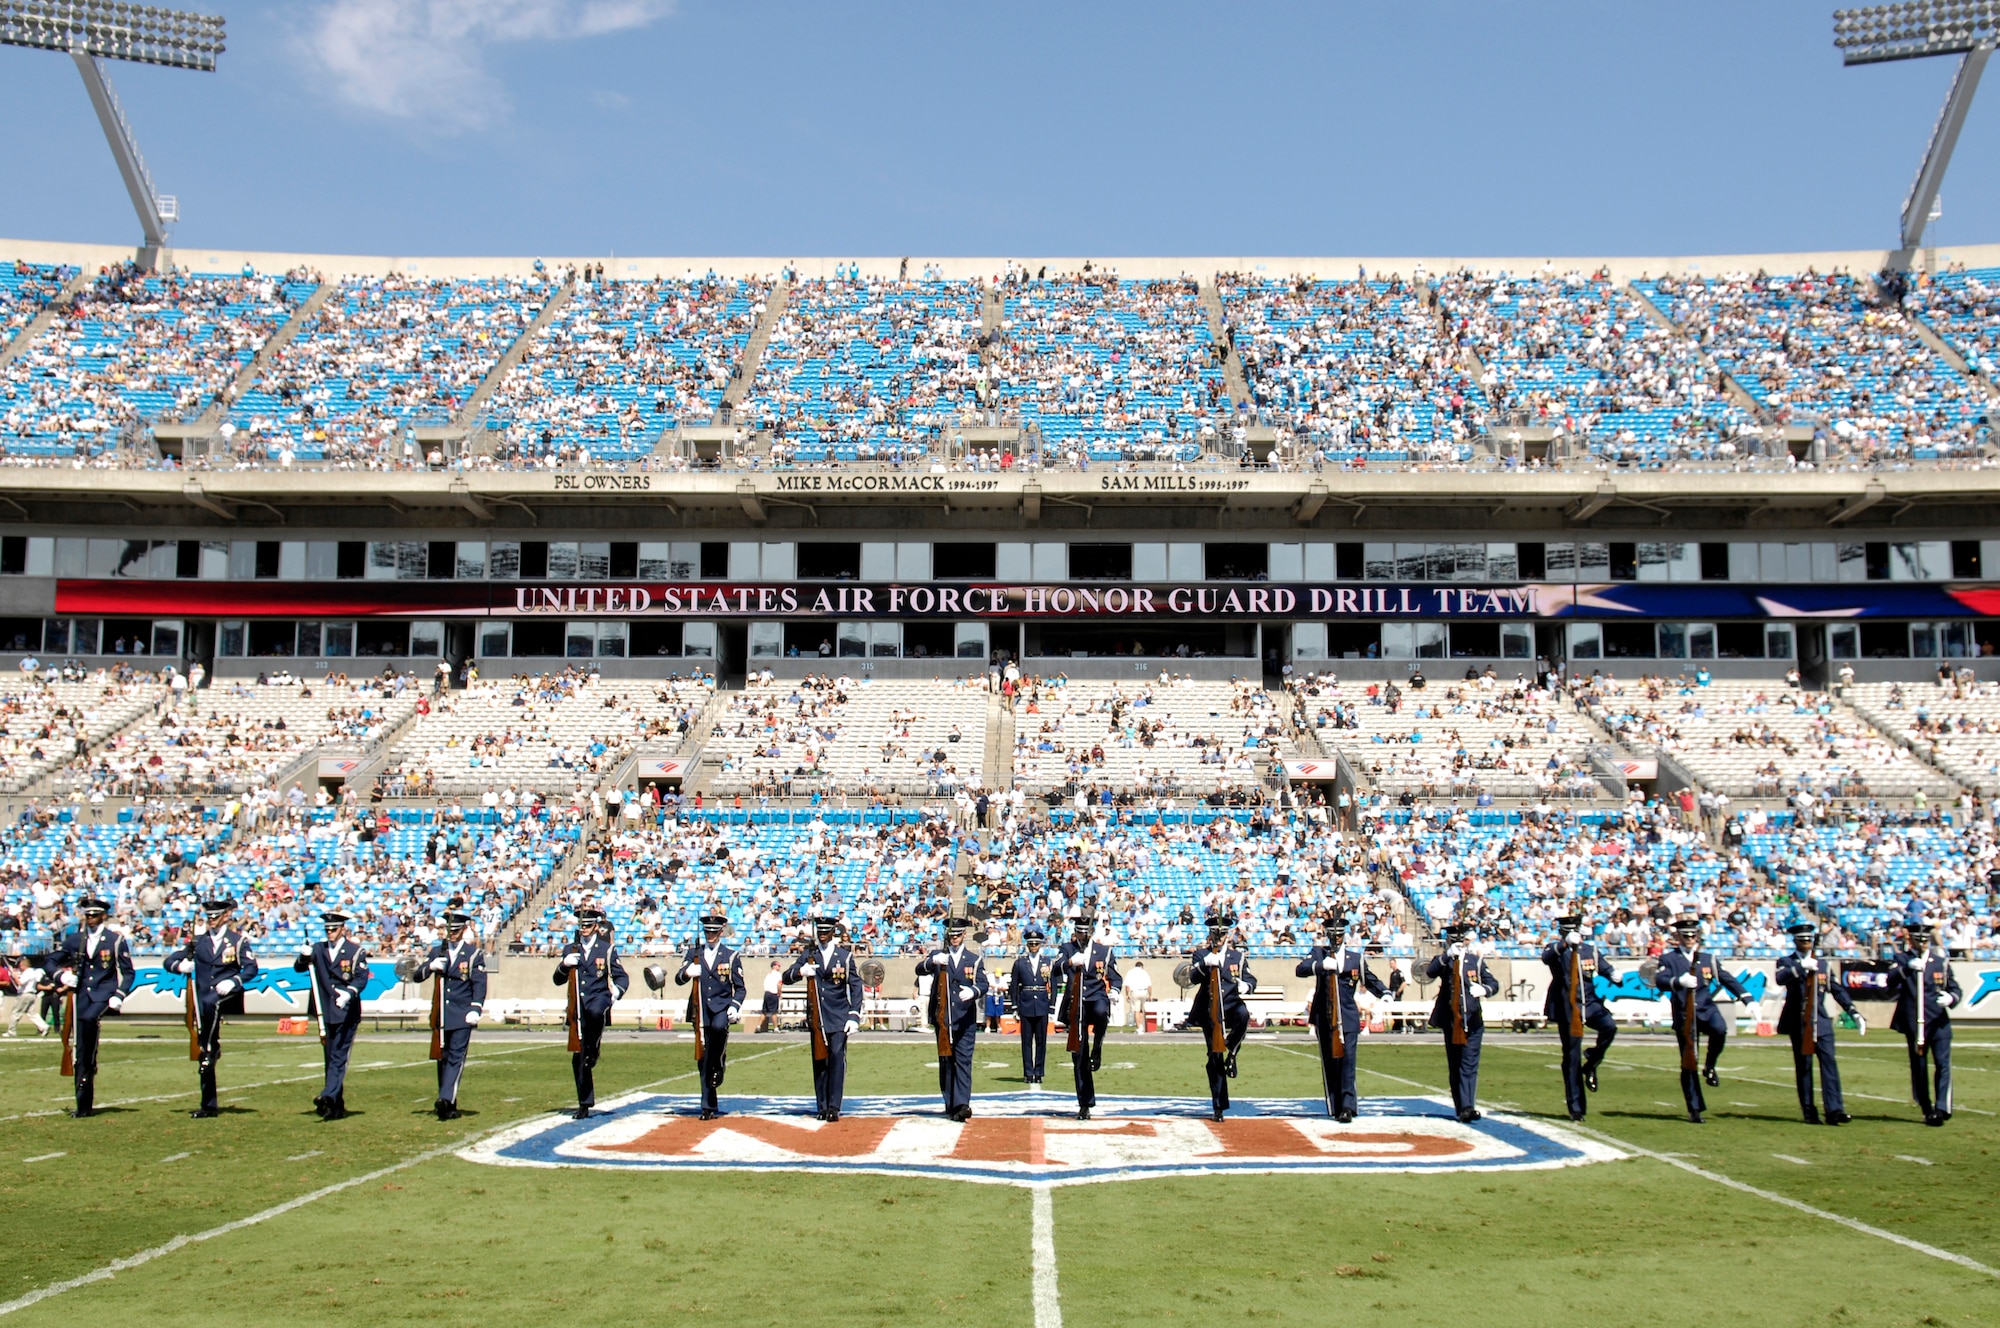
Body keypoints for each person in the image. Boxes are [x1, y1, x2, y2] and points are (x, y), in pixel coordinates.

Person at [167, 898, 258, 1119]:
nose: (211, 921)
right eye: (209, 917)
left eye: (215, 916)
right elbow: (169, 961)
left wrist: (234, 981)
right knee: (204, 1052)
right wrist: (180, 966)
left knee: (208, 1021)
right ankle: (208, 1104)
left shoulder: (237, 941)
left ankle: (209, 1045)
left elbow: (251, 968)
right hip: (203, 1000)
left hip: (227, 995)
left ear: (225, 917)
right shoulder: (198, 942)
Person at [1652, 916, 1749, 1123]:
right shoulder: (1669, 959)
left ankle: (1710, 1065)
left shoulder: (1707, 959)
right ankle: (1694, 1108)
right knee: (1689, 1060)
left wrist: (1746, 997)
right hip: (1685, 1013)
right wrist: (1678, 981)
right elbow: (1659, 980)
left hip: (1706, 1008)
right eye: (1685, 935)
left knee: (1720, 1030)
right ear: (1678, 937)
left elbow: (1726, 978)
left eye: (1692, 935)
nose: (1689, 939)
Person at [1295, 911, 1385, 1122]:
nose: (1335, 938)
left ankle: (1347, 1106)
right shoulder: (1319, 953)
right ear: (1326, 934)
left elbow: (1369, 979)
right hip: (1324, 1015)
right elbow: (1301, 969)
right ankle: (1335, 1105)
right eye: (1331, 933)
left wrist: (1386, 993)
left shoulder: (1355, 958)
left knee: (1348, 1061)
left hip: (1348, 1016)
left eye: (1339, 934)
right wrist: (1321, 965)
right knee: (1330, 1061)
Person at [54, 898, 134, 1118]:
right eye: (87, 915)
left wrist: (119, 994)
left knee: (89, 1021)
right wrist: (61, 975)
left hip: (103, 995)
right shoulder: (75, 940)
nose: (90, 918)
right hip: (81, 997)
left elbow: (128, 973)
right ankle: (83, 1105)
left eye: (94, 915)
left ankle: (89, 1062)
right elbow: (51, 961)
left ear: (103, 916)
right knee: (81, 1048)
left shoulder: (115, 940)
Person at [1775, 921, 1857, 1125]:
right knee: (1804, 1067)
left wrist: (1853, 1011)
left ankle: (1835, 1110)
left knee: (1830, 1065)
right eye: (1802, 940)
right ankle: (1809, 1111)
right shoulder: (1786, 961)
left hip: (1821, 1020)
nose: (1806, 943)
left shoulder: (1823, 965)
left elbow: (1836, 990)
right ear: (1795, 941)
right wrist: (1800, 967)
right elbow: (1780, 978)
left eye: (1809, 940)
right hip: (1799, 1021)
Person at [783, 913, 863, 1121]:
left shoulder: (844, 956)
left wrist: (854, 1015)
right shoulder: (810, 954)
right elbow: (786, 977)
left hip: (839, 1015)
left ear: (833, 933)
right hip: (817, 1016)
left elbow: (855, 986)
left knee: (837, 1057)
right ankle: (822, 1105)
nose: (823, 935)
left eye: (827, 932)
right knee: (820, 1060)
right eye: (820, 932)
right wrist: (801, 971)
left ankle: (834, 1106)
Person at [1540, 910, 1618, 1121]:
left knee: (1609, 1027)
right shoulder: (1557, 950)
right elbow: (1546, 957)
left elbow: (1604, 968)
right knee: (1572, 1055)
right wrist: (1564, 943)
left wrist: (1614, 975)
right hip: (1568, 1007)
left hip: (1590, 1003)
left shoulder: (1589, 950)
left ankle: (1592, 1061)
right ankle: (1576, 1107)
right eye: (1568, 930)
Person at [554, 905, 628, 1120]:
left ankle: (594, 1049)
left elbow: (622, 977)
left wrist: (616, 992)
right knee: (578, 1057)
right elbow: (557, 979)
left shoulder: (606, 949)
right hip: (577, 1006)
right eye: (582, 926)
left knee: (596, 1014)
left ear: (596, 927)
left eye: (588, 925)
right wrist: (564, 965)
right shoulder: (571, 950)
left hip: (599, 999)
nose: (584, 929)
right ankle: (584, 1103)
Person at [294, 909, 369, 1121]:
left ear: (342, 929)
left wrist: (350, 992)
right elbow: (299, 968)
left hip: (346, 1011)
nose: (330, 933)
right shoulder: (318, 949)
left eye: (333, 929)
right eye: (327, 929)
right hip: (324, 1011)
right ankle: (335, 1105)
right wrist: (303, 956)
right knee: (330, 1058)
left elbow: (361, 978)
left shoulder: (354, 951)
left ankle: (328, 1096)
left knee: (338, 1056)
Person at [1887, 918, 1962, 1126]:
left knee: (1943, 1064)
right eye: (1918, 940)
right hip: (1915, 1022)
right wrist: (1907, 969)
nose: (1922, 943)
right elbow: (1890, 981)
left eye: (1925, 940)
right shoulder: (1902, 959)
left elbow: (1955, 989)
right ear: (1911, 940)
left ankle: (1942, 1106)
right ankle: (1926, 1107)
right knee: (1919, 1066)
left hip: (1938, 1021)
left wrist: (1951, 998)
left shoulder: (1940, 962)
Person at [914, 912, 987, 1121]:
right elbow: (918, 969)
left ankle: (962, 1104)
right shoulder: (939, 956)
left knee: (963, 1061)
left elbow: (983, 984)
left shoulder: (974, 960)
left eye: (957, 935)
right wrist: (931, 961)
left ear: (964, 935)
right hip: (943, 1019)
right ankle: (949, 1101)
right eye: (951, 935)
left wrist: (973, 992)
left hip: (964, 1019)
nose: (954, 938)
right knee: (946, 1061)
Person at [1425, 922, 1499, 1123]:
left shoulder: (1475, 961)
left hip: (1473, 1020)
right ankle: (1461, 1105)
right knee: (1455, 1065)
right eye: (1453, 940)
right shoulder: (1445, 961)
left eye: (1460, 940)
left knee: (1469, 1065)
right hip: (1451, 1020)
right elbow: (1430, 972)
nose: (1458, 943)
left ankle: (1467, 1106)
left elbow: (1493, 983)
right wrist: (1447, 955)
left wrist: (1485, 990)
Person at [1187, 912, 1257, 1121]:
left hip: (1232, 1004)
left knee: (1244, 1016)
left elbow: (1251, 979)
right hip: (1211, 1009)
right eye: (1215, 934)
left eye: (1222, 934)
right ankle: (1218, 1105)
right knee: (1214, 1055)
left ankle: (1233, 1051)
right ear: (1210, 934)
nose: (1218, 937)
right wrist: (1204, 965)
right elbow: (1191, 977)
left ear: (1227, 935)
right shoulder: (1201, 954)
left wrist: (1248, 986)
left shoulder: (1238, 957)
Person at [676, 912, 745, 1120]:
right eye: (707, 931)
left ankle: (719, 1061)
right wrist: (688, 973)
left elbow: (740, 989)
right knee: (702, 1056)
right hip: (700, 1010)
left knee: (718, 1032)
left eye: (714, 932)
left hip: (721, 1008)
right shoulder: (693, 953)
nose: (710, 935)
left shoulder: (731, 956)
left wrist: (734, 1006)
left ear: (721, 932)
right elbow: (678, 978)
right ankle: (707, 1105)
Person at [1055, 912, 1121, 1119]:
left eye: (1085, 932)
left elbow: (1115, 976)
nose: (1082, 936)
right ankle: (1085, 1103)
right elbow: (1055, 969)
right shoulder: (1067, 949)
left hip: (1096, 996)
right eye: (1079, 932)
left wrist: (1116, 991)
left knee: (1102, 1013)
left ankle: (1098, 1045)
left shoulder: (1104, 951)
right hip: (1076, 1003)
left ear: (1091, 933)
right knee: (1078, 1054)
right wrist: (1070, 963)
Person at [426, 908, 488, 1121]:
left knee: (455, 1058)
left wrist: (476, 1007)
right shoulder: (437, 952)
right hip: (441, 1014)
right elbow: (417, 975)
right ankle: (449, 1104)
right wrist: (430, 967)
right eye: (449, 930)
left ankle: (444, 1098)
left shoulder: (472, 954)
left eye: (455, 930)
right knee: (442, 1059)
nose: (451, 934)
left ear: (463, 930)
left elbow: (479, 983)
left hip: (462, 1014)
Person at [1008, 927, 1053, 1085]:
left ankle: (1039, 1072)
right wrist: (1014, 1006)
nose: (1034, 946)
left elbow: (1051, 983)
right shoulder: (1020, 962)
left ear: (1040, 945)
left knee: (1041, 1040)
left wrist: (1051, 1005)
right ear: (1027, 945)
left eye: (1036, 944)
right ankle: (1028, 1072)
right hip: (1026, 1004)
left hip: (1041, 1003)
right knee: (1026, 1041)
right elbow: (1014, 986)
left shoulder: (1047, 962)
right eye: (1031, 944)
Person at [5, 952, 48, 1037]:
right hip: (30, 994)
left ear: (23, 964)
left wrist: (15, 976)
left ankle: (11, 1031)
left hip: (25, 995)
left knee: (16, 1012)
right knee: (32, 1013)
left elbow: (20, 983)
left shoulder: (28, 972)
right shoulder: (32, 972)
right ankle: (44, 1026)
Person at [1125, 960, 1153, 1033]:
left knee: (1136, 1010)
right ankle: (1141, 1025)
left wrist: (1127, 994)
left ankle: (1139, 1027)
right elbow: (1149, 985)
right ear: (1142, 966)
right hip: (1144, 991)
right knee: (1141, 1010)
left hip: (1135, 991)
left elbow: (1127, 985)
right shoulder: (1144, 972)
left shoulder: (1130, 972)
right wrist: (1150, 995)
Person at [756, 960, 783, 1034]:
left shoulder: (768, 975)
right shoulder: (778, 974)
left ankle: (758, 1026)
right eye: (778, 965)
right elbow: (779, 984)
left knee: (764, 1012)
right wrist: (780, 993)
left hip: (767, 993)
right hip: (773, 993)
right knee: (774, 1012)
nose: (779, 967)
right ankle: (776, 1028)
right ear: (774, 966)